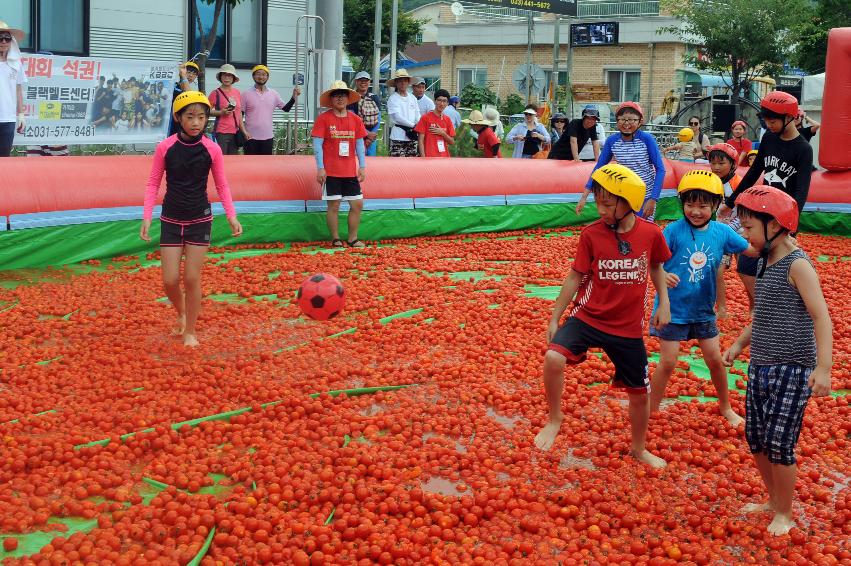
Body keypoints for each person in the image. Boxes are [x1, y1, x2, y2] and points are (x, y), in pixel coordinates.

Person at [534, 163, 672, 469]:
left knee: (639, 394)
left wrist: (665, 303)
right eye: (598, 202)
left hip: (627, 328)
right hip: (589, 317)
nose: (600, 209)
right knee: (553, 358)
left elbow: (656, 267)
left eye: (608, 203)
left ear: (629, 202)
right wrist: (554, 317)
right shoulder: (591, 234)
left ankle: (638, 448)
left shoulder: (651, 233)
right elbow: (574, 277)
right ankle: (555, 418)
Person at [722, 186, 832, 536]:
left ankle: (784, 511)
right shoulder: (765, 263)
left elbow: (821, 318)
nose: (744, 234)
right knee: (757, 438)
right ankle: (773, 499)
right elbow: (763, 315)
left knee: (781, 442)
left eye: (750, 227)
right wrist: (740, 345)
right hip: (760, 366)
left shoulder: (797, 265)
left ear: (777, 227)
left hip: (793, 366)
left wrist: (824, 368)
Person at [140, 91, 243, 347]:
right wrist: (147, 216)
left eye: (201, 117)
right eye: (190, 117)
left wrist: (231, 216)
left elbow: (222, 185)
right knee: (170, 280)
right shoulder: (165, 147)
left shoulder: (212, 149)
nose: (196, 122)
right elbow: (153, 182)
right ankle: (182, 312)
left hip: (200, 219)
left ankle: (191, 331)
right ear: (178, 118)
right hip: (171, 219)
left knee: (192, 278)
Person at [648, 170, 751, 426]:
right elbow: (652, 263)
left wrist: (779, 244)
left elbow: (751, 249)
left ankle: (725, 406)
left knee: (714, 360)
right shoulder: (672, 231)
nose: (695, 211)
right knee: (668, 362)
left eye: (703, 205)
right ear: (682, 203)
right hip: (673, 310)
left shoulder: (722, 232)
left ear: (716, 205)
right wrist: (664, 274)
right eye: (690, 204)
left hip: (703, 310)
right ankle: (650, 410)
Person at [719, 92, 813, 295]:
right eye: (766, 121)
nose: (768, 126)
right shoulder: (769, 139)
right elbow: (754, 172)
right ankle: (757, 305)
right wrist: (731, 202)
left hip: (781, 219)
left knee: (775, 264)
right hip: (760, 210)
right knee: (746, 262)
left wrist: (791, 228)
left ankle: (775, 304)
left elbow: (801, 191)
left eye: (773, 121)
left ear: (789, 118)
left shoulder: (803, 149)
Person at [579, 102, 665, 220]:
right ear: (617, 121)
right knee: (623, 230)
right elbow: (599, 168)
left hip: (646, 196)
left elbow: (660, 169)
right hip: (623, 196)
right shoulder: (612, 141)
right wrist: (584, 196)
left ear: (640, 121)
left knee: (643, 231)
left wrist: (653, 199)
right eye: (622, 119)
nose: (626, 123)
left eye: (631, 120)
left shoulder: (647, 139)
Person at [311, 80, 368, 248]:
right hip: (331, 171)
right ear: (331, 99)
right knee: (334, 205)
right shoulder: (323, 119)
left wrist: (362, 166)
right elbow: (317, 145)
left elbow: (359, 145)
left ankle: (352, 238)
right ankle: (335, 238)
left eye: (343, 95)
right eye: (336, 96)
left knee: (357, 204)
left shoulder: (356, 119)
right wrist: (320, 168)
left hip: (350, 171)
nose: (340, 99)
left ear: (348, 98)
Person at [707, 142, 746, 317]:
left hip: (739, 232)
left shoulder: (738, 184)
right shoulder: (708, 182)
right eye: (713, 163)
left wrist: (731, 229)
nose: (716, 167)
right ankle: (721, 308)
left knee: (746, 272)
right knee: (717, 271)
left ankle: (754, 307)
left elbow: (744, 213)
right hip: (720, 234)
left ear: (733, 164)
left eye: (721, 163)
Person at [242, 64, 299, 155]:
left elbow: (286, 108)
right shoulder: (246, 94)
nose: (261, 77)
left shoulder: (274, 93)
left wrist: (293, 97)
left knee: (266, 166)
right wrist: (243, 132)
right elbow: (240, 115)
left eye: (264, 74)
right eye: (258, 74)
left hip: (268, 137)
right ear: (253, 76)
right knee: (251, 166)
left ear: (267, 77)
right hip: (250, 137)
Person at [208, 64, 251, 155]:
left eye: (229, 75)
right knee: (221, 159)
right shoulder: (215, 93)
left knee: (232, 161)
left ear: (233, 78)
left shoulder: (237, 92)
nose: (227, 78)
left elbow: (239, 114)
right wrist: (221, 112)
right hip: (221, 132)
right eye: (224, 75)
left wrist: (244, 131)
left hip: (235, 132)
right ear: (220, 77)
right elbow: (205, 111)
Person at [0, 21, 26, 157]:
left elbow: (18, 90)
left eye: (7, 38)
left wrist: (21, 114)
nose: (3, 41)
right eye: (0, 38)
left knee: (4, 158)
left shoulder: (16, 65)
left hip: (8, 119)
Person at [385, 69, 420, 157]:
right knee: (397, 164)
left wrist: (419, 125)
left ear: (408, 82)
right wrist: (413, 125)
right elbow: (397, 117)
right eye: (400, 81)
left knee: (412, 163)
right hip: (398, 135)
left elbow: (417, 114)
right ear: (396, 83)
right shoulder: (393, 98)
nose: (403, 83)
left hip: (412, 135)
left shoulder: (412, 98)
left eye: (405, 80)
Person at [347, 71, 382, 157]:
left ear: (369, 82)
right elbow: (351, 120)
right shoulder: (351, 97)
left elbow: (379, 118)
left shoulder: (374, 97)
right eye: (360, 80)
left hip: (371, 136)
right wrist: (367, 134)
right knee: (356, 158)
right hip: (356, 135)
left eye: (366, 80)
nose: (363, 83)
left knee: (371, 159)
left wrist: (370, 137)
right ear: (356, 82)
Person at [413, 88, 455, 158]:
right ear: (434, 101)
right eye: (439, 100)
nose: (442, 104)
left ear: (447, 103)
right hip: (429, 158)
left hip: (444, 158)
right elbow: (420, 141)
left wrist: (443, 133)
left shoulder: (447, 119)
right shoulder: (425, 118)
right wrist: (423, 158)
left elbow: (452, 142)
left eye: (444, 101)